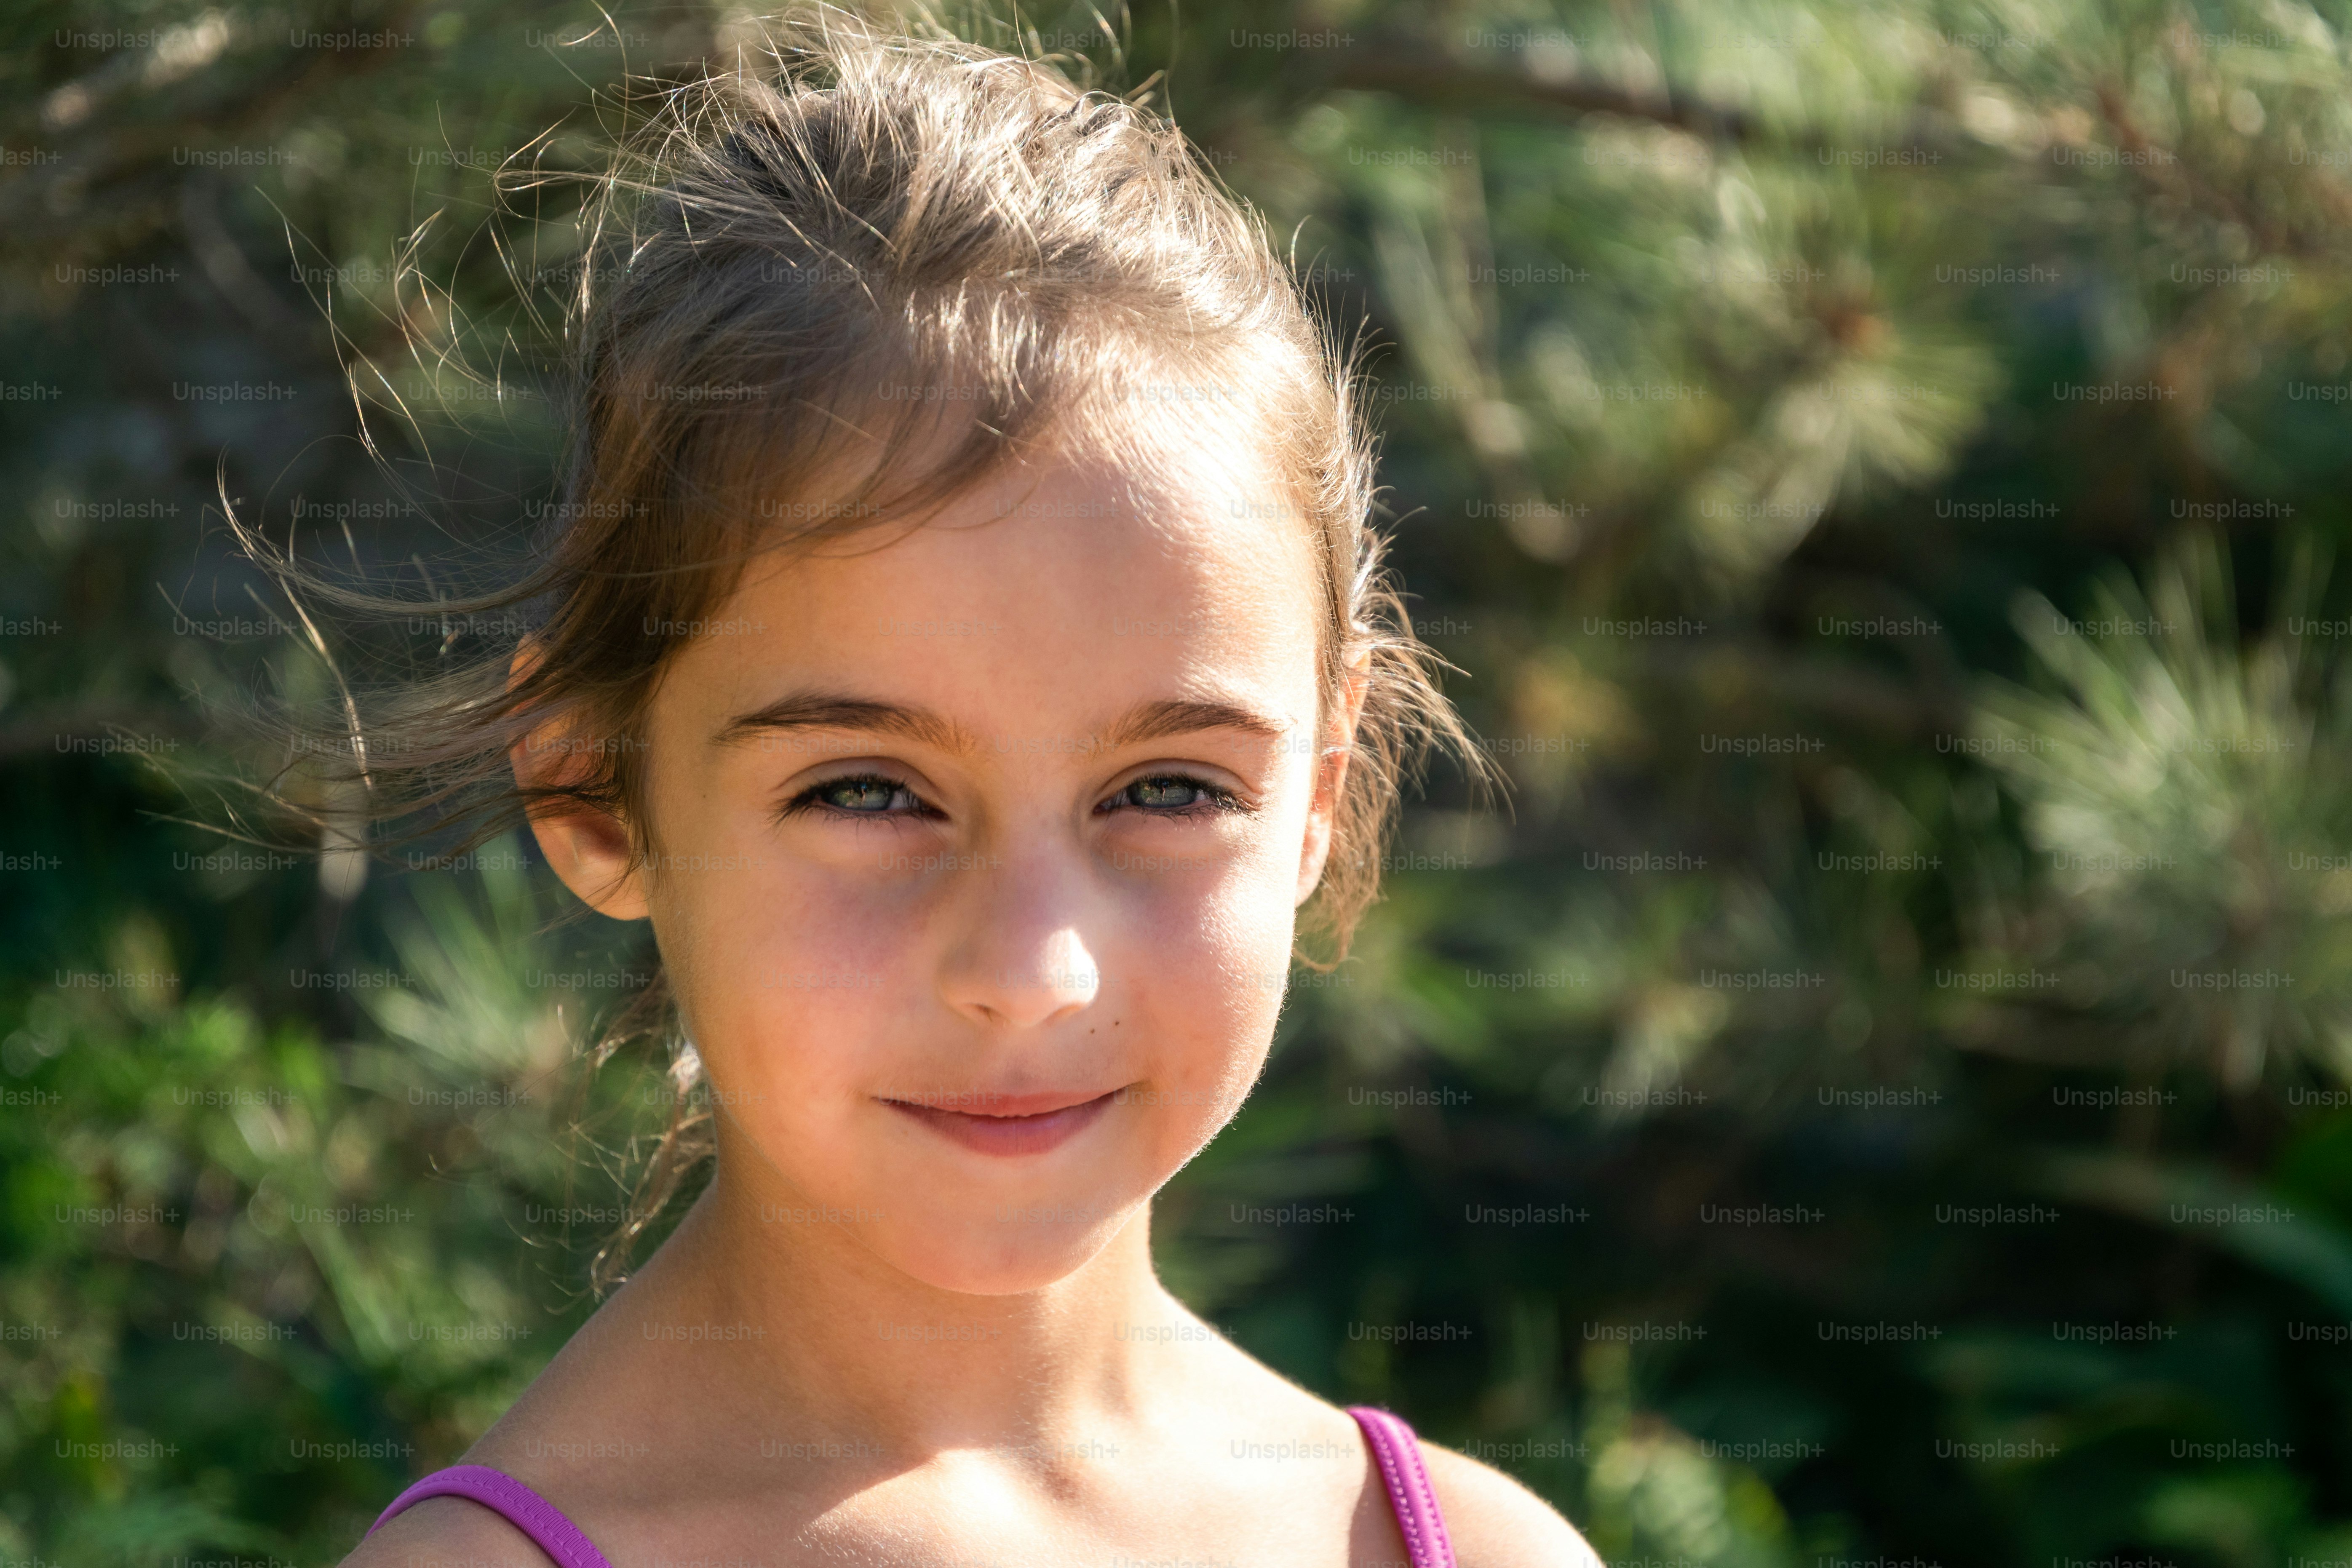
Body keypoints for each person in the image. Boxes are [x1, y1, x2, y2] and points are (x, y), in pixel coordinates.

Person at [318, 11, 1596, 1565]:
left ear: (1318, 798)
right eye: (866, 792)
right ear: (597, 792)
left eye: (1172, 788)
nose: (1031, 972)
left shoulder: (1465, 1546)